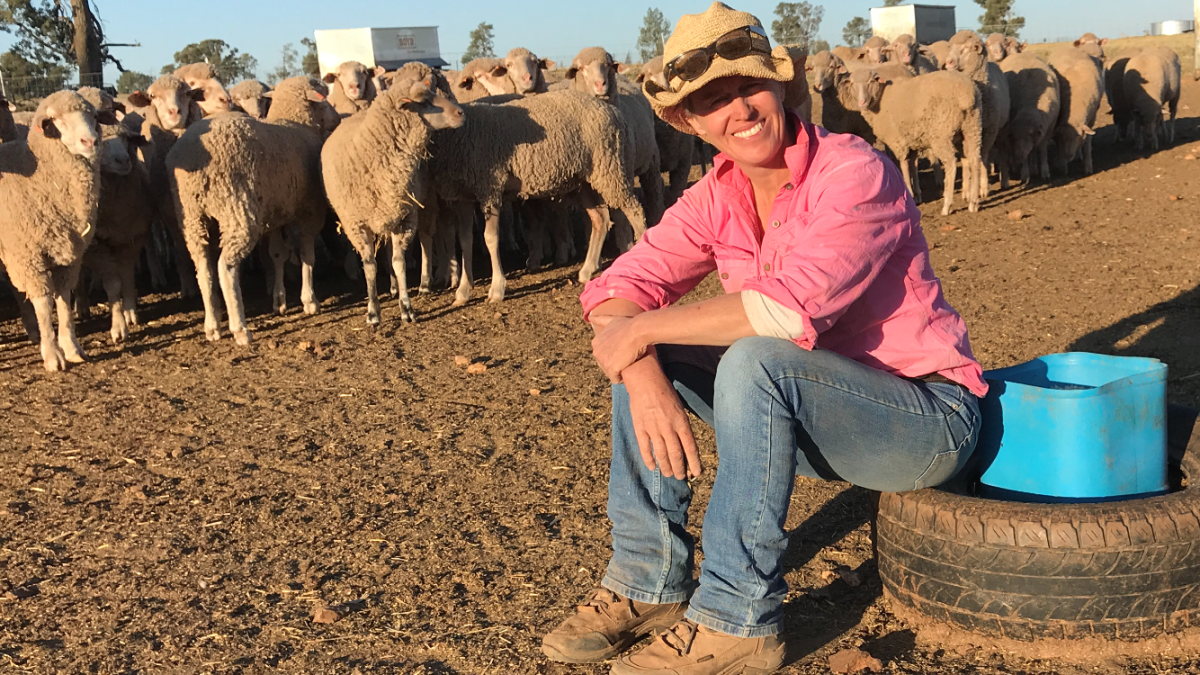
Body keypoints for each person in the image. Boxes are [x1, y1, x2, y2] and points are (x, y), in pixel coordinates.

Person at [541, 3, 988, 674]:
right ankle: (648, 580)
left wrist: (641, 329)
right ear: (689, 121)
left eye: (750, 86)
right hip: (815, 412)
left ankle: (738, 618)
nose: (740, 110)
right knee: (648, 352)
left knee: (748, 355)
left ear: (783, 88)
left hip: (925, 419)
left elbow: (785, 311)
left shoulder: (853, 172)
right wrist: (641, 365)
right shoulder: (715, 194)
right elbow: (614, 288)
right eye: (714, 100)